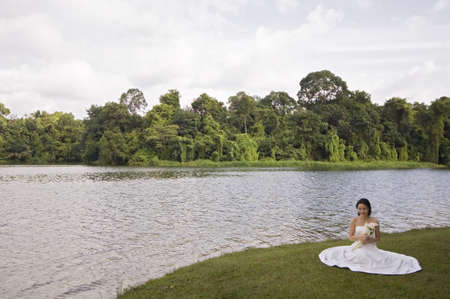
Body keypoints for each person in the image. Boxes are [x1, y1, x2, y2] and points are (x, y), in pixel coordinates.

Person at [318, 198, 421, 275]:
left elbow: (378, 238)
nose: (362, 211)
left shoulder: (374, 221)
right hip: (357, 246)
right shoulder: (354, 220)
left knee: (373, 259)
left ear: (369, 209)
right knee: (354, 256)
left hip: (370, 247)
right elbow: (350, 237)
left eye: (364, 209)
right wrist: (360, 238)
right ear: (357, 209)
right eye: (360, 209)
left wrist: (369, 239)